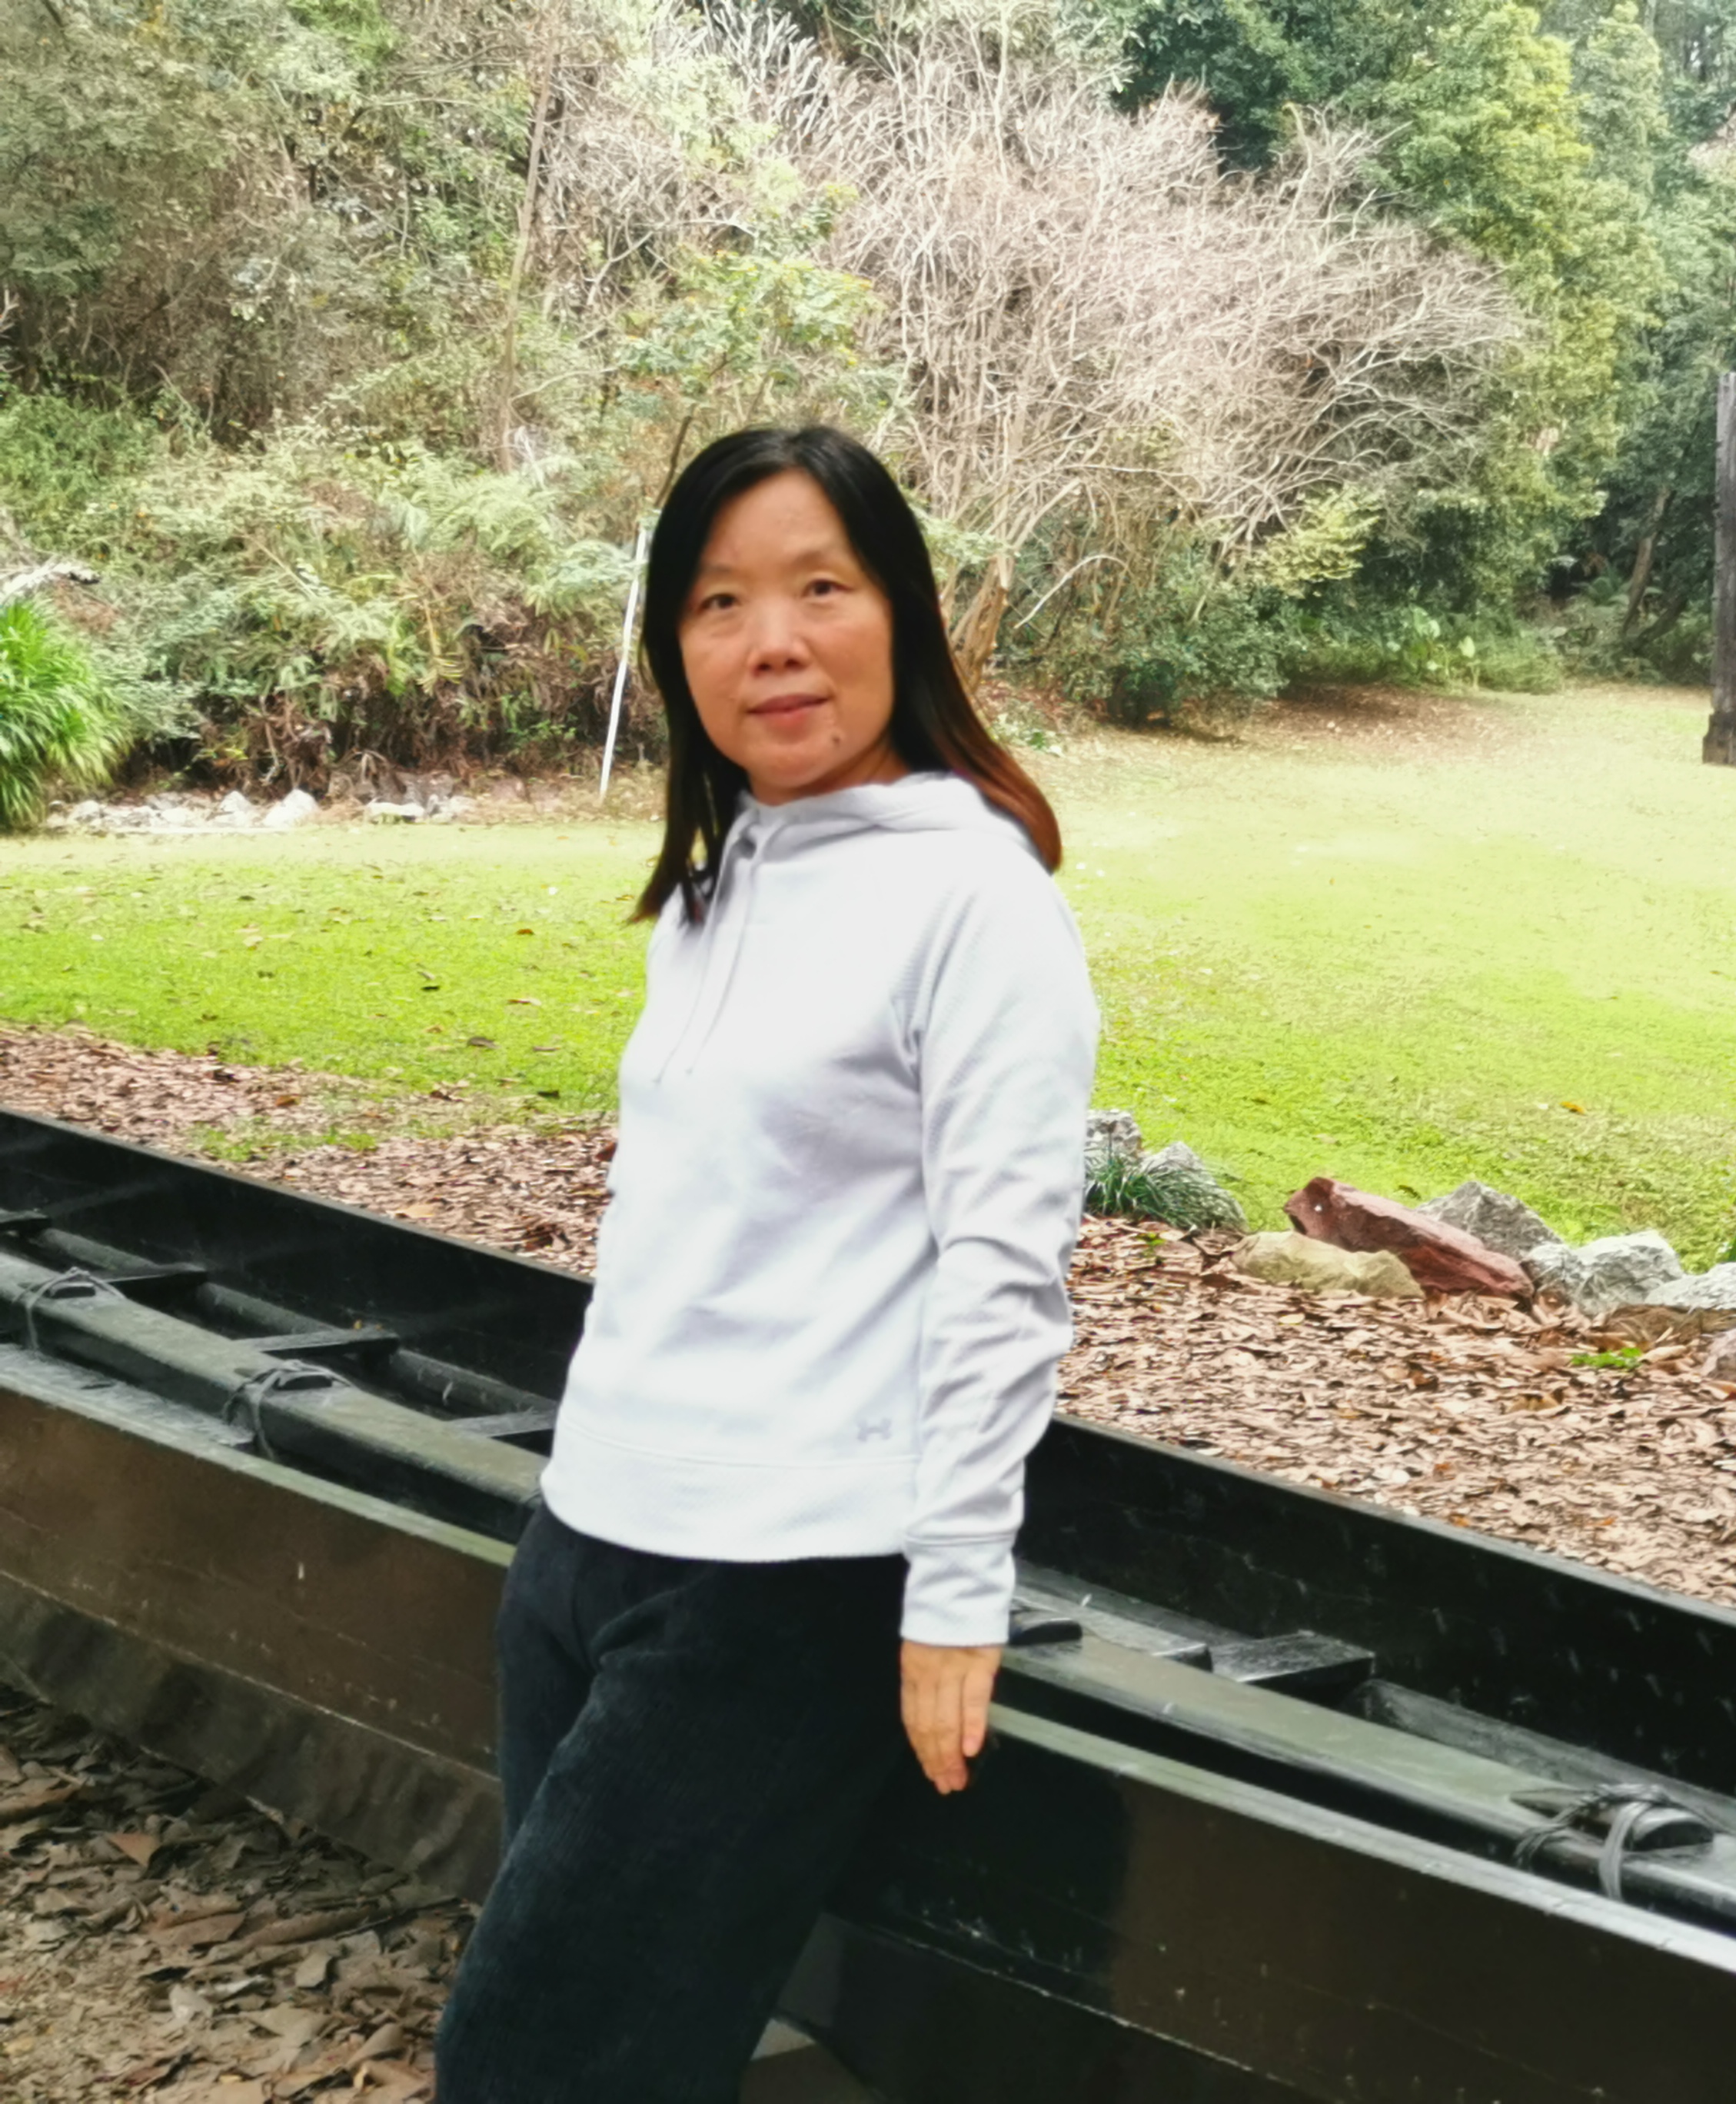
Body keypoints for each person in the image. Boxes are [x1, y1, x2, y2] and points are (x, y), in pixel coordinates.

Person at [434, 426, 1098, 2099]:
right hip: (586, 1542)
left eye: (820, 588)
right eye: (720, 602)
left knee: (530, 2069)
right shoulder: (714, 882)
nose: (772, 642)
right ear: (676, 646)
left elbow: (1004, 1274)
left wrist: (956, 1594)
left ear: (904, 613)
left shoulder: (978, 899)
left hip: (780, 1587)